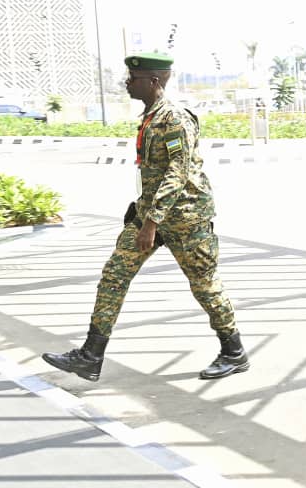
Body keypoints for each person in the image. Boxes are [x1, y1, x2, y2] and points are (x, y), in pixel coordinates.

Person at [42, 52, 249, 382]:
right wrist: (143, 213)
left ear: (153, 81)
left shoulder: (175, 119)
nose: (127, 82)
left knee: (204, 285)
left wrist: (151, 222)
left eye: (132, 78)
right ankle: (91, 356)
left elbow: (176, 172)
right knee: (114, 274)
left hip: (185, 219)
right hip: (149, 215)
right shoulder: (152, 117)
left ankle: (234, 352)